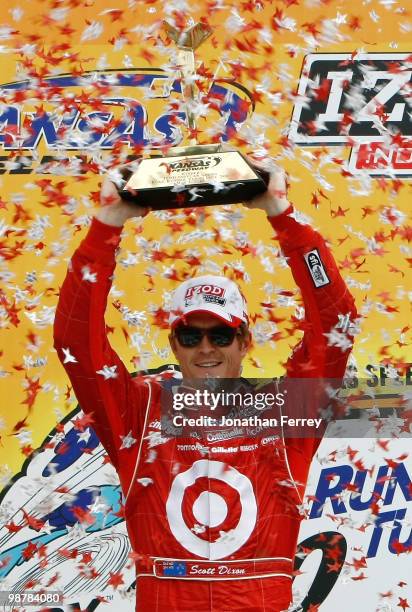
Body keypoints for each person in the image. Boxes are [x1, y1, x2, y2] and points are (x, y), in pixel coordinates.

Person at [53, 167, 357, 612]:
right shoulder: (137, 410)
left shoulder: (287, 409)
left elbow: (337, 323)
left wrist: (282, 213)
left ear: (245, 340)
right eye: (191, 336)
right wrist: (107, 225)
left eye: (221, 334)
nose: (206, 348)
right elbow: (74, 341)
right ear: (173, 343)